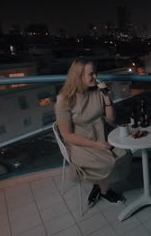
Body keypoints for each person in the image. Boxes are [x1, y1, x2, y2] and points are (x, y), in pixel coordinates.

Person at [55, 58, 131, 207]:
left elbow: (111, 118)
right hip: (80, 142)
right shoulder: (64, 99)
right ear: (78, 76)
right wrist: (97, 145)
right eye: (91, 74)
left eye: (95, 73)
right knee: (108, 163)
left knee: (125, 153)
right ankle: (104, 191)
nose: (95, 77)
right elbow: (67, 135)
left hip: (102, 133)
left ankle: (99, 185)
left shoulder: (97, 91)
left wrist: (107, 98)